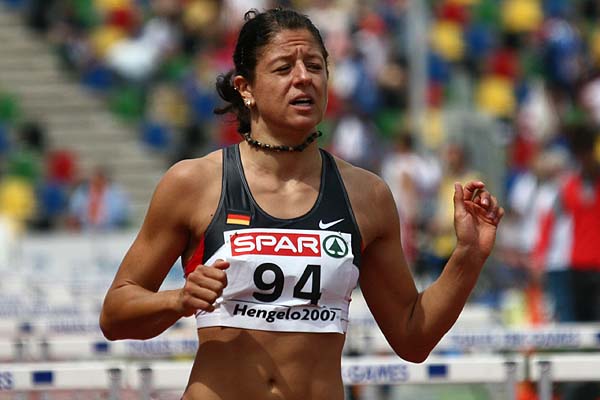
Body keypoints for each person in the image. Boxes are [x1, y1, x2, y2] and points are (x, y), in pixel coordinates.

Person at [99, 8, 504, 400]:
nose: (303, 78)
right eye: (283, 68)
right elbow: (115, 315)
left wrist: (468, 255)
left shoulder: (367, 195)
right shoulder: (194, 183)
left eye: (314, 66)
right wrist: (177, 300)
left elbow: (412, 338)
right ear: (245, 88)